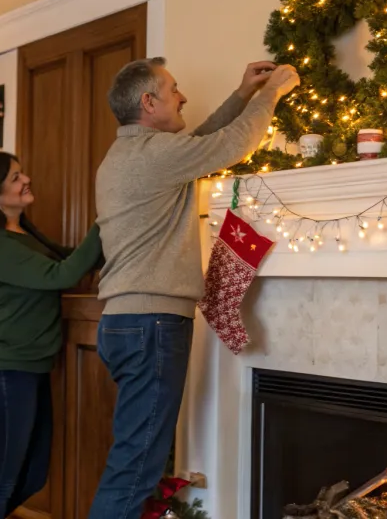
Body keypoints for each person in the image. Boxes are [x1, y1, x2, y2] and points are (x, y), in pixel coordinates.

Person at [89, 59, 300, 518]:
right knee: (134, 471)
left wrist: (243, 92)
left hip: (128, 323)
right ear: (149, 102)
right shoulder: (156, 157)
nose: (182, 96)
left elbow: (200, 143)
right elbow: (231, 145)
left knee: (133, 463)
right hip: (152, 325)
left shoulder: (133, 155)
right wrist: (273, 92)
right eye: (173, 89)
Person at [0, 150, 102, 519]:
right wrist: (105, 221)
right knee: (0, 482)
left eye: (22, 173)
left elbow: (70, 258)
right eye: (16, 178)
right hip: (3, 372)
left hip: (28, 369)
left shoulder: (23, 233)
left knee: (33, 476)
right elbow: (62, 275)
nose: (26, 180)